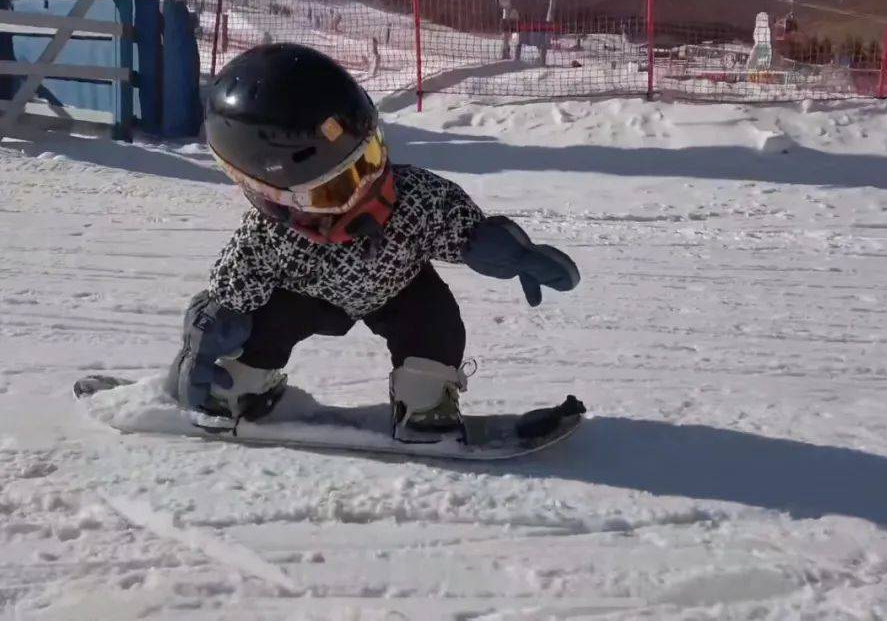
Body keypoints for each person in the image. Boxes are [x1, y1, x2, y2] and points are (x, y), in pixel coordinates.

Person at [165, 43, 580, 439]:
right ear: (276, 200)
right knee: (260, 322)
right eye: (337, 188)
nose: (369, 189)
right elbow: (232, 289)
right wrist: (203, 335)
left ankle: (425, 399)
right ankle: (234, 385)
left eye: (371, 160)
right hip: (310, 298)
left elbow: (456, 222)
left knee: (434, 321)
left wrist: (501, 247)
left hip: (399, 290)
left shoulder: (414, 197)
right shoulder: (268, 237)